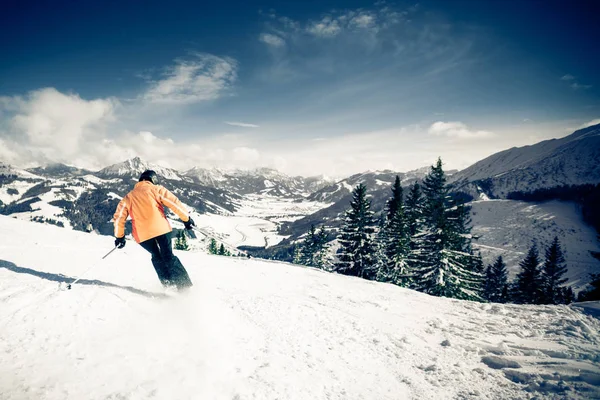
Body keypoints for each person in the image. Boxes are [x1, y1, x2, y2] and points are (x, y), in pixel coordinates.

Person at [112, 170, 195, 290]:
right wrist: (186, 219)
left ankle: (168, 285)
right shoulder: (156, 189)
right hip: (161, 229)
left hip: (142, 236)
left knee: (156, 256)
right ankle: (184, 287)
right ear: (153, 180)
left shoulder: (128, 197)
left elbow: (119, 218)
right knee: (168, 256)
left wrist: (119, 237)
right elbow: (174, 203)